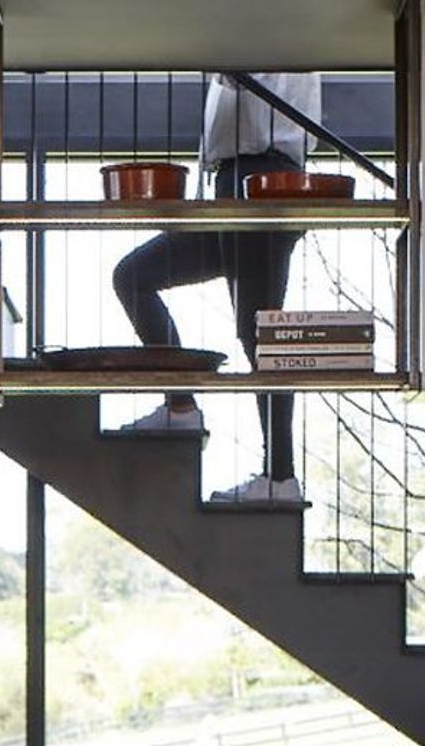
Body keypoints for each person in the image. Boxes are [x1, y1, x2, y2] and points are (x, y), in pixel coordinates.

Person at [111, 71, 321, 504]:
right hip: (239, 181)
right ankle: (182, 406)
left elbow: (251, 111)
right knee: (134, 277)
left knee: (259, 335)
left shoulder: (267, 35)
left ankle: (280, 477)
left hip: (259, 179)